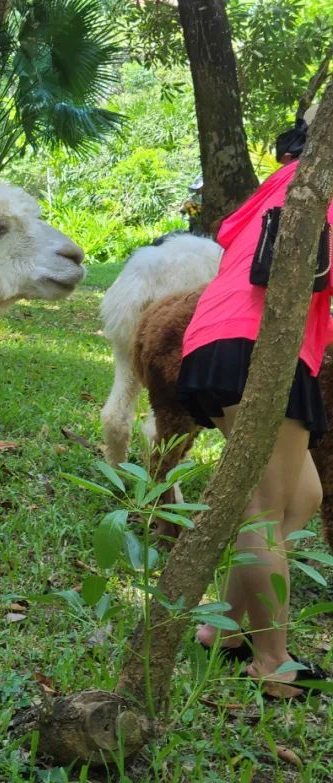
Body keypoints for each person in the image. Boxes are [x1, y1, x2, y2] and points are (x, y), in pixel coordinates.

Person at [177, 143, 332, 699]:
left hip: (222, 333)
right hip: (259, 341)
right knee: (265, 510)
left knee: (300, 498)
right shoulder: (321, 181)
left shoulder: (293, 176)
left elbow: (229, 231)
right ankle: (272, 662)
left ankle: (217, 630)